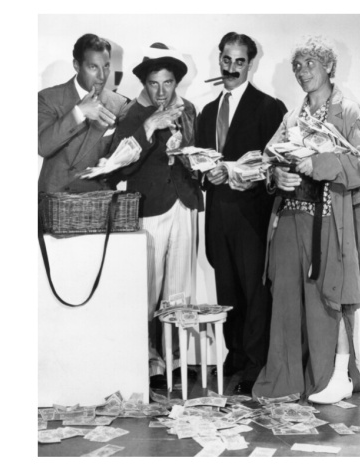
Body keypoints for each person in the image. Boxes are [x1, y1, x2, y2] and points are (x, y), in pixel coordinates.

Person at [253, 36, 360, 404]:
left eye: (310, 64)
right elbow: (268, 160)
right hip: (288, 218)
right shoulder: (292, 117)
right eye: (298, 66)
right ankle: (284, 381)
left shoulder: (349, 112)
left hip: (328, 219)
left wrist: (318, 164)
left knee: (328, 298)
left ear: (329, 67)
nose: (303, 71)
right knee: (284, 299)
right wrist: (276, 175)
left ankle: (330, 379)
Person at [107, 43, 203, 389]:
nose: (161, 91)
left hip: (184, 203)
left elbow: (194, 153)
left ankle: (175, 359)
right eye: (153, 84)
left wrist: (194, 160)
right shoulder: (132, 113)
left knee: (179, 289)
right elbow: (118, 166)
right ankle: (150, 362)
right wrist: (149, 127)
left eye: (168, 83)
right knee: (148, 289)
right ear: (144, 84)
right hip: (148, 208)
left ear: (176, 82)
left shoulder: (188, 109)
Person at [197, 32, 286, 395]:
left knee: (255, 292)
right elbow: (200, 162)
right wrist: (207, 174)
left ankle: (255, 365)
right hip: (218, 215)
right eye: (226, 60)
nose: (231, 68)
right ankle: (233, 357)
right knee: (227, 289)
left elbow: (276, 166)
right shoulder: (207, 112)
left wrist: (240, 174)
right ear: (219, 59)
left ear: (251, 64)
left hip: (252, 216)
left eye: (239, 61)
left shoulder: (269, 107)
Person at [38, 33, 131, 193]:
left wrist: (109, 161)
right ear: (76, 65)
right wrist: (79, 112)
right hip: (55, 198)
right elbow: (43, 147)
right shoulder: (48, 98)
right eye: (93, 67)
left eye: (106, 66)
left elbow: (123, 150)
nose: (102, 76)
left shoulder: (119, 103)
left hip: (96, 198)